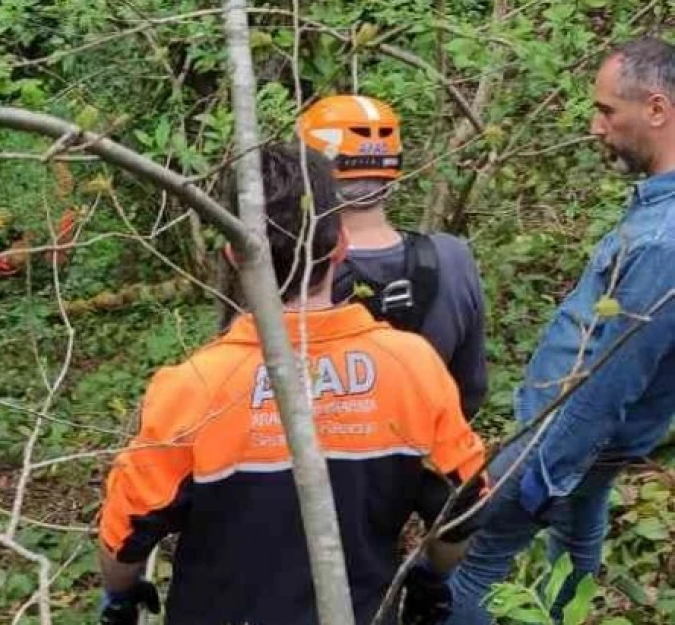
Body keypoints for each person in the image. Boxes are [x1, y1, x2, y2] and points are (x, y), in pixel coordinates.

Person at [97, 143, 488, 625]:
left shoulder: (194, 387)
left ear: (234, 254)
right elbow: (464, 508)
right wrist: (429, 576)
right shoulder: (412, 368)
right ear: (341, 245)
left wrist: (121, 596)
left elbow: (125, 535)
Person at [446, 38, 675, 625]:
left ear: (656, 109)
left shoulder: (663, 240)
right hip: (601, 444)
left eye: (606, 111)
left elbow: (612, 377)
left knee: (468, 564)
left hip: (561, 438)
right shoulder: (658, 210)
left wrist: (540, 478)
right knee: (576, 539)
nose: (595, 127)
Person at [297, 95, 489, 419]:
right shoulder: (452, 258)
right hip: (427, 453)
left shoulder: (298, 268)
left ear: (308, 171)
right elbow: (469, 389)